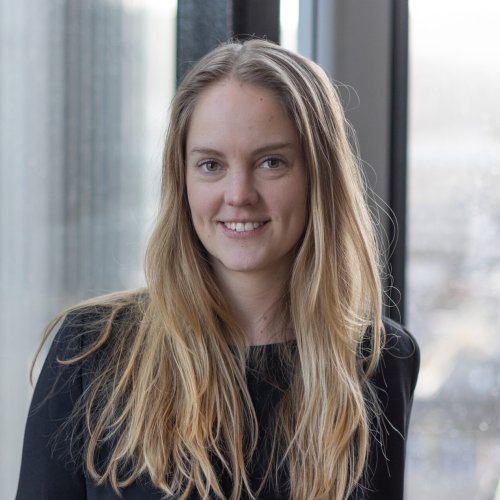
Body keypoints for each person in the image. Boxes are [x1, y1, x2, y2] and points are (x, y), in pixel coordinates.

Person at [16, 39, 419, 500]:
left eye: (271, 162)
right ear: (182, 179)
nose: (239, 194)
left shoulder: (380, 358)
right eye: (211, 165)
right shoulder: (91, 351)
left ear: (319, 176)